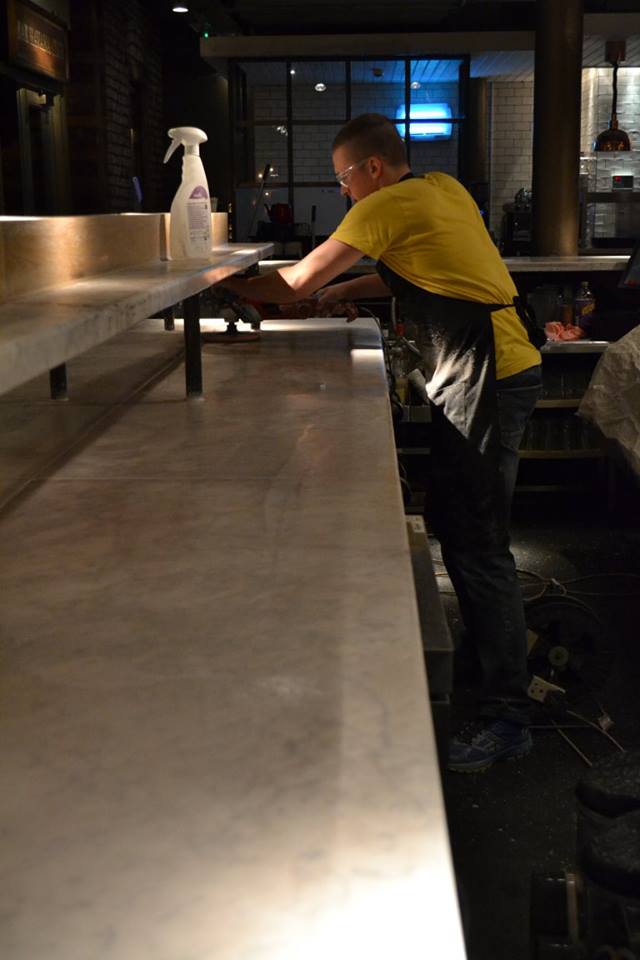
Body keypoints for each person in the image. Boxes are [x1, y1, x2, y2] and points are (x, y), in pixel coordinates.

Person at [220, 113, 543, 773]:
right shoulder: (440, 190)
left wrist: (217, 286)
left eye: (343, 179)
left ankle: (508, 717)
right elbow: (414, 274)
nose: (342, 193)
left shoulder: (386, 202)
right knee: (462, 528)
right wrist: (347, 290)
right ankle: (491, 666)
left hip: (490, 375)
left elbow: (294, 280)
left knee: (480, 545)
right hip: (504, 367)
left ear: (370, 169)